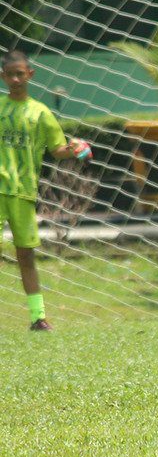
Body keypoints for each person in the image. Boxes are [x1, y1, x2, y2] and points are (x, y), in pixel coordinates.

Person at [1, 50, 89, 331]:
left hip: (23, 193)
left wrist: (75, 149)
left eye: (20, 73)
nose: (15, 78)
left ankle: (38, 317)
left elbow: (57, 149)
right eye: (10, 74)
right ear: (3, 76)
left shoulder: (40, 113)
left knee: (25, 254)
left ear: (30, 74)